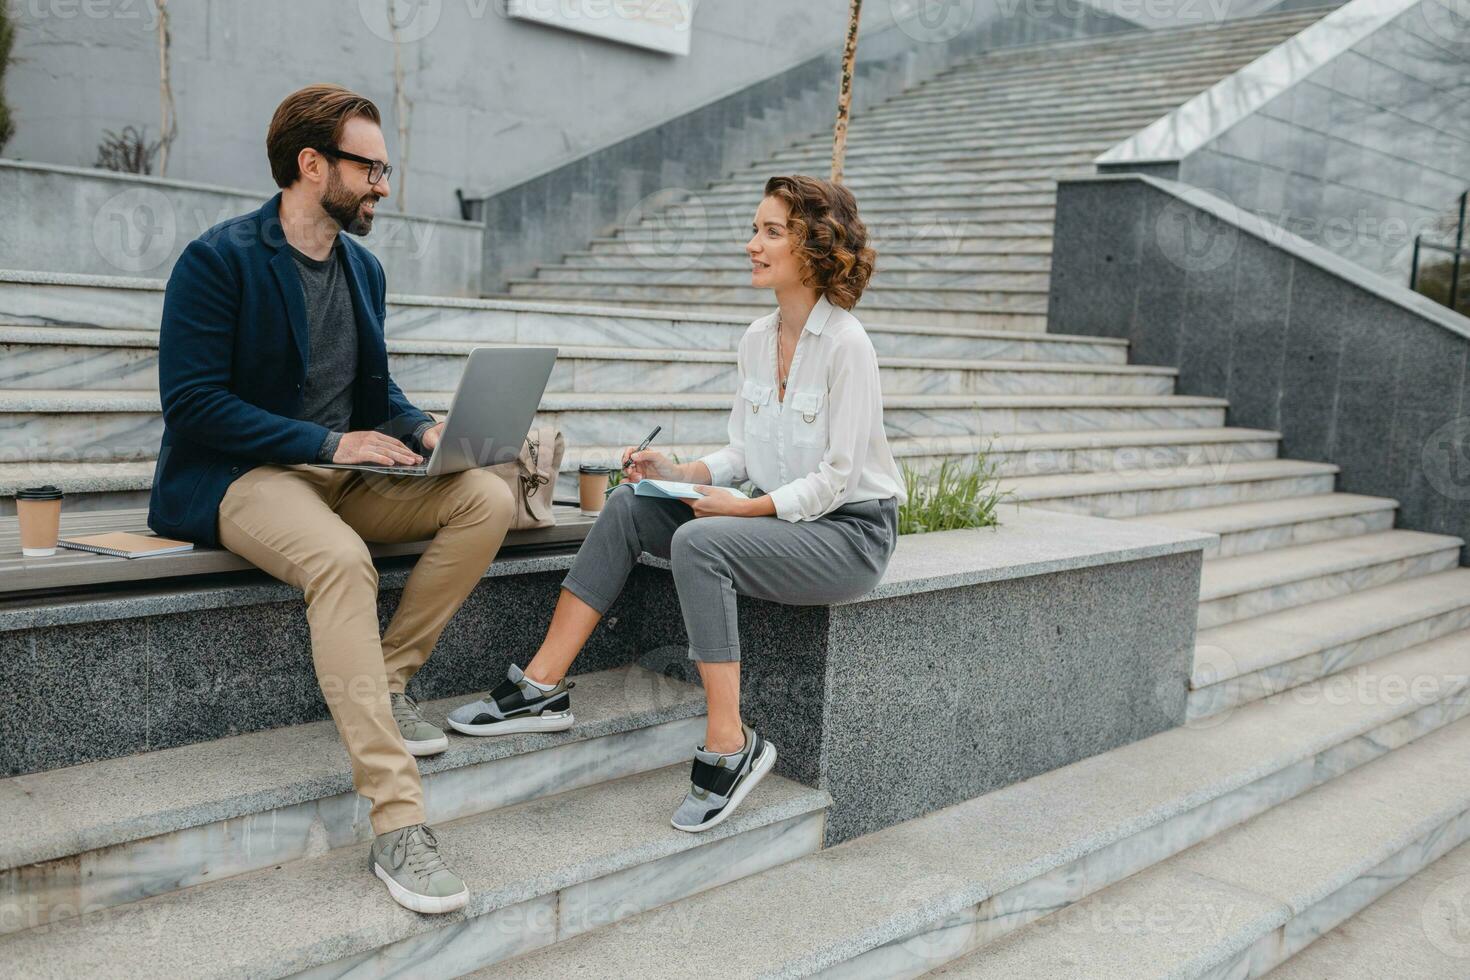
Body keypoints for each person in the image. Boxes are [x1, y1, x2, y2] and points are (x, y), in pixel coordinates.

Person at [148, 84, 518, 914]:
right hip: (243, 477)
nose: (383, 185)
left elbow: (374, 392)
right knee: (342, 564)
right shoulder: (219, 260)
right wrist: (324, 443)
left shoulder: (363, 267)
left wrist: (426, 432)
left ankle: (388, 681)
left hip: (344, 474)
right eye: (371, 168)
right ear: (312, 164)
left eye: (385, 169)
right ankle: (397, 822)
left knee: (485, 498)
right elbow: (194, 403)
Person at [448, 174, 906, 832]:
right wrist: (679, 471)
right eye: (755, 229)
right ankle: (540, 688)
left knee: (700, 541)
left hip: (848, 535)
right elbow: (741, 453)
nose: (752, 244)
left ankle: (731, 744)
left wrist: (740, 510)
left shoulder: (847, 347)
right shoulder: (755, 338)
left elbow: (837, 479)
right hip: (778, 521)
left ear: (815, 246)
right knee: (631, 504)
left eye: (771, 231)